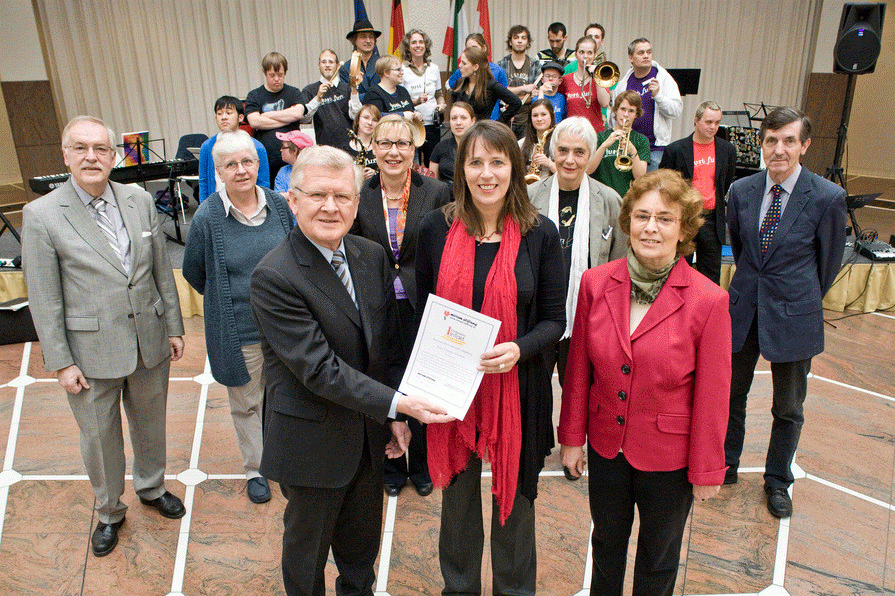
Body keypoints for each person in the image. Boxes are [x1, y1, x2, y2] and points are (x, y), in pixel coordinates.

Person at [250, 145, 453, 596]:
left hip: (367, 441)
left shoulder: (368, 255)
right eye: (318, 195)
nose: (330, 207)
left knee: (361, 557)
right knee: (307, 561)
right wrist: (399, 403)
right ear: (292, 200)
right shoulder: (275, 275)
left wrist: (393, 418)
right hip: (311, 446)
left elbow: (383, 347)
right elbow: (319, 369)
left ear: (357, 202)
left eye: (342, 197)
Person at [558, 169, 732, 596]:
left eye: (665, 218)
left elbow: (713, 395)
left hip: (669, 459)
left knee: (658, 561)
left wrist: (707, 468)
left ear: (684, 228)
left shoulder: (709, 301)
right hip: (605, 446)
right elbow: (579, 368)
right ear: (627, 221)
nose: (650, 227)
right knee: (606, 547)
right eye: (641, 216)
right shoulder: (595, 283)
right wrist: (571, 438)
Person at [22, 115, 186, 557]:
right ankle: (110, 510)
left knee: (151, 425)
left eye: (101, 149)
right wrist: (60, 361)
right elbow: (44, 298)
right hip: (88, 353)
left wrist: (173, 326)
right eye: (81, 148)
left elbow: (158, 271)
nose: (92, 157)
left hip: (149, 338)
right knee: (100, 437)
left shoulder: (137, 199)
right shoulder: (40, 215)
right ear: (65, 155)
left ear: (114, 156)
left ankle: (152, 488)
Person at [416, 120, 566, 595]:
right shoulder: (435, 229)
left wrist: (519, 349)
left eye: (497, 162)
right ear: (461, 169)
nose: (487, 173)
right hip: (450, 387)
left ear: (514, 168)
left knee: (517, 505)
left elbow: (554, 320)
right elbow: (423, 310)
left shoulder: (540, 234)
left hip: (517, 390)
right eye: (475, 162)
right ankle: (458, 587)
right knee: (457, 502)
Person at [723, 107, 846, 518]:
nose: (779, 149)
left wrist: (795, 296)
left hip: (794, 315)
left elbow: (827, 266)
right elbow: (743, 252)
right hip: (743, 312)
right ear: (762, 143)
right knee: (729, 396)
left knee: (788, 408)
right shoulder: (741, 191)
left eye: (789, 140)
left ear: (804, 145)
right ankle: (726, 464)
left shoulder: (827, 197)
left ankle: (778, 480)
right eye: (771, 140)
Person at [182, 130, 294, 504]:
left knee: (283, 398)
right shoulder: (207, 217)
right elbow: (194, 272)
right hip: (240, 331)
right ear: (218, 171)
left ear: (258, 164)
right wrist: (224, 300)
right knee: (247, 403)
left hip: (284, 328)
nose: (241, 170)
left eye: (247, 161)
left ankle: (285, 459)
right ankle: (256, 469)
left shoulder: (280, 207)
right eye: (231, 164)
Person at [351, 114, 452, 497]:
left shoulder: (436, 193)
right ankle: (392, 465)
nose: (394, 152)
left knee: (422, 385)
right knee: (384, 383)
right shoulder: (359, 193)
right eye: (385, 143)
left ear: (414, 150)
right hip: (375, 307)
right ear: (373, 147)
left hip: (423, 305)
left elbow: (445, 250)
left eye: (402, 144)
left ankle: (422, 464)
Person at [528, 116, 627, 385]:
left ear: (590, 155)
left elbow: (620, 264)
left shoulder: (609, 200)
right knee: (534, 401)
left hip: (587, 319)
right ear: (552, 152)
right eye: (563, 151)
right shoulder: (529, 197)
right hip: (536, 320)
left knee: (579, 401)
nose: (569, 160)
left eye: (579, 152)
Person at [659, 101, 738, 284]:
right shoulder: (676, 150)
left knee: (710, 276)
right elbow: (665, 184)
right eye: (709, 122)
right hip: (684, 218)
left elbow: (725, 183)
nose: (713, 127)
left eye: (717, 123)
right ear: (696, 121)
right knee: (677, 271)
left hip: (711, 219)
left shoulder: (727, 150)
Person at [611, 38, 682, 171]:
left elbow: (676, 111)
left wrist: (658, 96)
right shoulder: (623, 84)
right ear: (631, 57)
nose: (646, 55)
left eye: (649, 52)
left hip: (655, 149)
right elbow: (614, 116)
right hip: (628, 146)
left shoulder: (664, 79)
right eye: (641, 52)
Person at [245, 51, 309, 180]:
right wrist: (287, 120)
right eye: (272, 75)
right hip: (265, 159)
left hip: (292, 159)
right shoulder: (254, 95)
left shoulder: (294, 92)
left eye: (280, 75)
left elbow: (297, 113)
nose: (276, 79)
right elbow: (255, 122)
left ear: (285, 72)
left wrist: (268, 115)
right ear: (264, 72)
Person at [199, 96, 270, 203]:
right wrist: (203, 208)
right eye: (219, 114)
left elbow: (263, 182)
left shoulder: (256, 146)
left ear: (240, 117)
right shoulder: (207, 146)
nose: (224, 117)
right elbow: (203, 181)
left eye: (229, 113)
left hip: (248, 204)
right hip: (218, 204)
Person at [590, 90, 650, 198]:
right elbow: (588, 170)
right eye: (623, 109)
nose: (626, 115)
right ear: (616, 110)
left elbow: (641, 177)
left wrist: (633, 151)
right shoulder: (600, 137)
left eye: (631, 111)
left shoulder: (641, 140)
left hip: (628, 198)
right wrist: (604, 146)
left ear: (636, 114)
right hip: (602, 197)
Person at [400, 29, 446, 166]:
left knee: (432, 161)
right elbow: (401, 101)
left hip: (432, 124)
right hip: (412, 125)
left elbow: (439, 94)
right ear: (408, 47)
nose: (418, 45)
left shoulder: (434, 68)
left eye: (421, 42)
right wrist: (416, 101)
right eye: (414, 42)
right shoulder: (402, 70)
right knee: (413, 162)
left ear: (426, 45)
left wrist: (441, 105)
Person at [445, 33, 509, 121]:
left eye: (474, 47)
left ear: (484, 48)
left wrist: (501, 121)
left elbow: (506, 93)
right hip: (466, 125)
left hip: (490, 122)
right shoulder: (462, 72)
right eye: (468, 49)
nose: (471, 51)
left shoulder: (498, 71)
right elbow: (449, 86)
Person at [451, 46, 521, 125]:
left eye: (464, 63)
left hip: (481, 133)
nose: (460, 65)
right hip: (461, 133)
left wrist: (498, 123)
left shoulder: (491, 85)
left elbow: (516, 102)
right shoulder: (459, 84)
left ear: (475, 67)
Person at [299, 49, 353, 149]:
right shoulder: (309, 90)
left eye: (331, 62)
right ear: (318, 65)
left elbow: (355, 116)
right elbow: (304, 119)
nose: (327, 65)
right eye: (324, 62)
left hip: (350, 146)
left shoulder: (348, 88)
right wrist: (318, 97)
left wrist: (355, 90)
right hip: (324, 148)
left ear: (337, 66)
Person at [558, 36, 611, 136]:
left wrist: (597, 76)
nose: (585, 56)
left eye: (589, 53)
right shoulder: (566, 79)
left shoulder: (600, 78)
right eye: (581, 52)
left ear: (595, 55)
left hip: (595, 134)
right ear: (576, 54)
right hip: (572, 134)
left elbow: (604, 103)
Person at [497, 25, 542, 138]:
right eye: (516, 38)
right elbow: (499, 92)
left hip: (527, 120)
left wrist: (510, 95)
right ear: (510, 42)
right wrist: (523, 89)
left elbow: (536, 95)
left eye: (523, 38)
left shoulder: (535, 65)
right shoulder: (501, 65)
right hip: (505, 118)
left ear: (528, 42)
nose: (520, 41)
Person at [430, 101, 475, 185]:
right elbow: (433, 183)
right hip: (447, 196)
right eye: (454, 118)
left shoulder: (482, 147)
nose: (458, 123)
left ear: (473, 121)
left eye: (463, 118)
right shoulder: (440, 147)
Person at [360, 54, 418, 120]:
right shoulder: (373, 93)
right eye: (398, 70)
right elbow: (375, 117)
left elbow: (411, 110)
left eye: (402, 70)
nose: (402, 73)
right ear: (386, 72)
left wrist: (415, 114)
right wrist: (402, 115)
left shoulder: (403, 90)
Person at [338, 19, 382, 100]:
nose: (368, 41)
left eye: (371, 37)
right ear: (354, 40)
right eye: (363, 37)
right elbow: (347, 96)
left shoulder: (383, 64)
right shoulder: (345, 68)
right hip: (358, 110)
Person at [519, 98, 556, 182]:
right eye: (535, 115)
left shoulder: (560, 143)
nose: (539, 119)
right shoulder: (521, 144)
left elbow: (566, 175)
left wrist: (549, 163)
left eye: (543, 114)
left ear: (552, 115)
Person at [343, 103, 380, 179]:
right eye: (366, 118)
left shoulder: (381, 147)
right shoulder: (344, 147)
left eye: (374, 120)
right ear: (358, 120)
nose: (370, 123)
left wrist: (376, 173)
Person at [273, 130, 314, 194]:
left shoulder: (316, 171)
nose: (281, 150)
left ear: (295, 150)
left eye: (283, 147)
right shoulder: (283, 171)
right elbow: (279, 199)